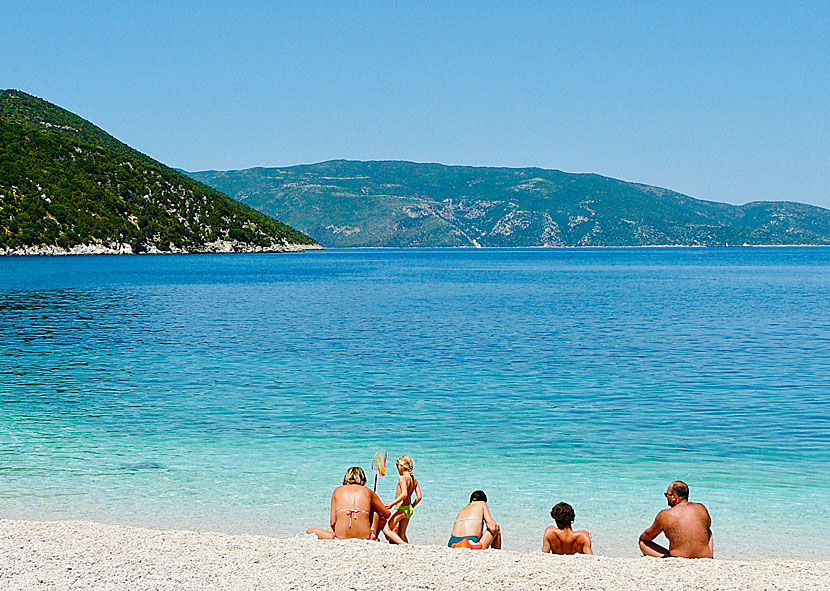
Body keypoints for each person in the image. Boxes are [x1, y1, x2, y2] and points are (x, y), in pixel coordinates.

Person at [306, 466, 390, 540]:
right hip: (365, 536)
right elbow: (387, 514)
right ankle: (374, 535)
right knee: (376, 509)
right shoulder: (368, 491)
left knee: (309, 531)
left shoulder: (337, 491)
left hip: (341, 537)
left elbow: (332, 522)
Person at [638, 480, 713, 558]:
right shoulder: (701, 508)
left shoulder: (664, 515)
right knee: (709, 531)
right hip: (705, 558)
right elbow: (708, 525)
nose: (666, 497)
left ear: (674, 497)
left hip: (678, 558)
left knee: (643, 542)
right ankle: (708, 555)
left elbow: (647, 536)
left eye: (667, 494)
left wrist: (641, 537)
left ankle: (669, 557)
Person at [383, 455, 422, 544]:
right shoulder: (413, 479)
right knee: (402, 534)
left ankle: (404, 545)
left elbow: (404, 494)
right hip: (409, 509)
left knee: (387, 530)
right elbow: (419, 497)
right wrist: (412, 506)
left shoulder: (402, 478)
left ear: (400, 467)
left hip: (401, 508)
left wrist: (392, 504)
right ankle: (408, 548)